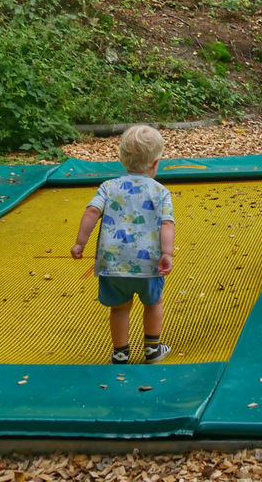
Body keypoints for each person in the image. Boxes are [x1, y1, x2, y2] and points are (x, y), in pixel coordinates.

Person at [71, 125, 176, 364]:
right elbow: (167, 224)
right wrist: (167, 253)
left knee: (119, 308)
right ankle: (152, 349)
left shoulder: (109, 187)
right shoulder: (160, 192)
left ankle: (120, 352)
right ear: (156, 163)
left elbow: (91, 211)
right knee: (154, 302)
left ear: (121, 159)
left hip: (113, 262)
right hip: (148, 263)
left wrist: (80, 243)